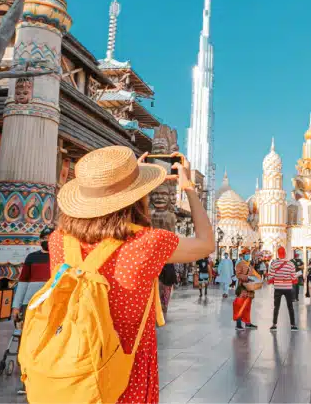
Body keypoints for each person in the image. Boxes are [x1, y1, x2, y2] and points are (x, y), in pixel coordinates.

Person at [43, 147, 214, 403]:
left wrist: (132, 183)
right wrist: (188, 186)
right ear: (136, 197)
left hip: (70, 371)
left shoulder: (58, 241)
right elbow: (206, 243)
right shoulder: (148, 243)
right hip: (125, 372)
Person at [11, 227, 52, 396]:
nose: (48, 241)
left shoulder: (59, 258)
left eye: (51, 238)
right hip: (30, 303)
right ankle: (26, 379)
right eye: (46, 238)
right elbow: (22, 282)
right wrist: (16, 305)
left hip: (50, 303)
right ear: (40, 239)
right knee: (27, 340)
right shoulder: (32, 258)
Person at [267, 247, 298, 331]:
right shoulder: (291, 264)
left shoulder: (274, 264)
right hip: (288, 287)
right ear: (285, 253)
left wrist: (275, 280)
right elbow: (294, 276)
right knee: (290, 306)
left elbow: (270, 276)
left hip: (278, 288)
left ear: (278, 254)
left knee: (276, 306)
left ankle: (274, 325)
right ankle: (293, 325)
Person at [234, 249, 261, 330]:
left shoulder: (250, 264)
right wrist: (247, 277)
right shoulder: (239, 264)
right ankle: (238, 324)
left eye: (249, 254)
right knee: (240, 306)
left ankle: (247, 323)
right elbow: (238, 275)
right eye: (246, 254)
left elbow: (252, 273)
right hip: (242, 286)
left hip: (249, 286)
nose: (248, 255)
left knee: (248, 306)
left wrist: (254, 278)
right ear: (242, 255)